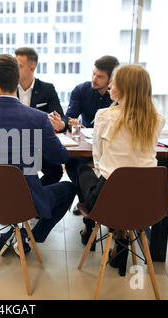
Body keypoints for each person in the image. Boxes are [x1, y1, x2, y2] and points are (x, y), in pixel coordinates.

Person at [0, 54, 76, 257]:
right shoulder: (38, 118)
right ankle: (27, 237)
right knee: (69, 188)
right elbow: (60, 157)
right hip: (25, 201)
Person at [77, 64, 165, 276]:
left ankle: (91, 227)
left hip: (108, 200)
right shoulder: (157, 119)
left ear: (124, 88)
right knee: (126, 187)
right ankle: (121, 235)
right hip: (147, 202)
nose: (110, 86)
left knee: (82, 171)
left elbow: (97, 158)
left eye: (114, 82)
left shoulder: (105, 116)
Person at [65, 55, 119, 215]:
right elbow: (69, 116)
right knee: (72, 162)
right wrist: (71, 121)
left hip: (111, 145)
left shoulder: (119, 96)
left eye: (100, 76)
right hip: (87, 142)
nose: (94, 79)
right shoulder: (81, 90)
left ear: (112, 79)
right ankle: (85, 200)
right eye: (93, 74)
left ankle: (99, 202)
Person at [15, 47, 69, 186]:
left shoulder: (47, 89)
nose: (14, 69)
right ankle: (28, 195)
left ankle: (33, 195)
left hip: (39, 144)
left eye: (19, 66)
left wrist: (62, 124)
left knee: (56, 171)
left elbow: (61, 118)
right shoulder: (7, 88)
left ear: (32, 68)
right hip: (13, 143)